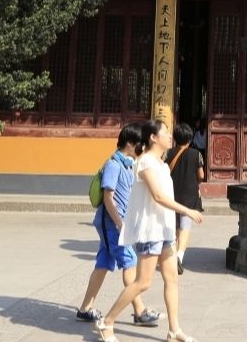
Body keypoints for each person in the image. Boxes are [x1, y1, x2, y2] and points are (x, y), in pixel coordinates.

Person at [95, 119, 203, 342]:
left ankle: (174, 330)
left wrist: (172, 227)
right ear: (153, 137)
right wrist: (188, 211)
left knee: (172, 278)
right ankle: (107, 321)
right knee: (143, 282)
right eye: (164, 132)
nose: (169, 136)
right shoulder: (145, 162)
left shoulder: (162, 164)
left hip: (163, 230)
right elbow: (158, 196)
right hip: (151, 230)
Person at [76, 123, 162, 327]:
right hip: (112, 224)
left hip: (116, 224)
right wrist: (120, 224)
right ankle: (139, 310)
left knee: (103, 264)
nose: (142, 148)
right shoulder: (114, 165)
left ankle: (85, 308)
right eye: (140, 144)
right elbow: (108, 198)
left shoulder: (128, 164)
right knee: (130, 262)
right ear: (131, 144)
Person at [166, 122, 204, 275]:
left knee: (174, 227)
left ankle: (173, 254)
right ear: (190, 138)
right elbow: (201, 175)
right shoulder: (196, 154)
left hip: (172, 193)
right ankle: (179, 257)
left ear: (175, 137)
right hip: (190, 194)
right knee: (185, 227)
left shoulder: (167, 153)